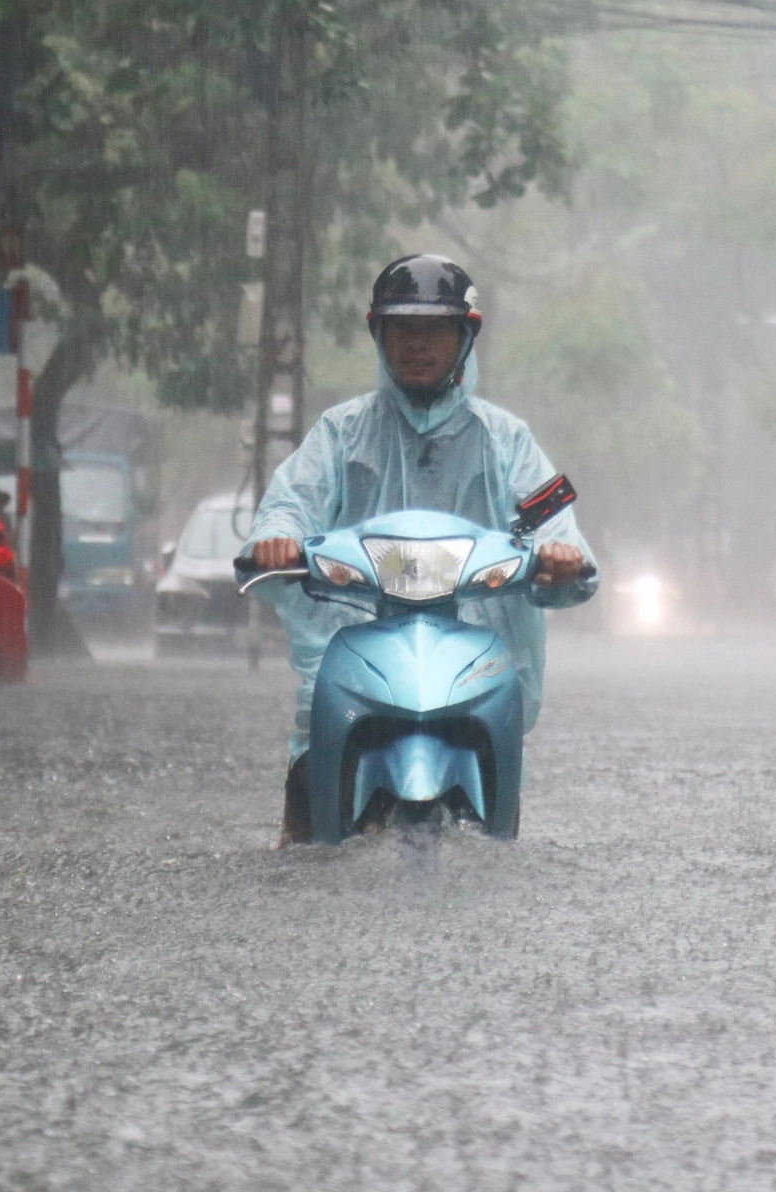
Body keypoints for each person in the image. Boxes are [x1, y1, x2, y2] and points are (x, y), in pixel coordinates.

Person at [244, 254, 598, 843]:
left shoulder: (506, 439)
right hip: (352, 638)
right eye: (402, 329)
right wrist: (274, 542)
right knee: (311, 779)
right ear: (378, 335)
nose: (417, 344)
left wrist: (559, 553)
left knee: (496, 769)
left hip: (477, 654)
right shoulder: (340, 432)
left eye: (434, 329)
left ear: (466, 337)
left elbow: (551, 518)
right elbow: (290, 502)